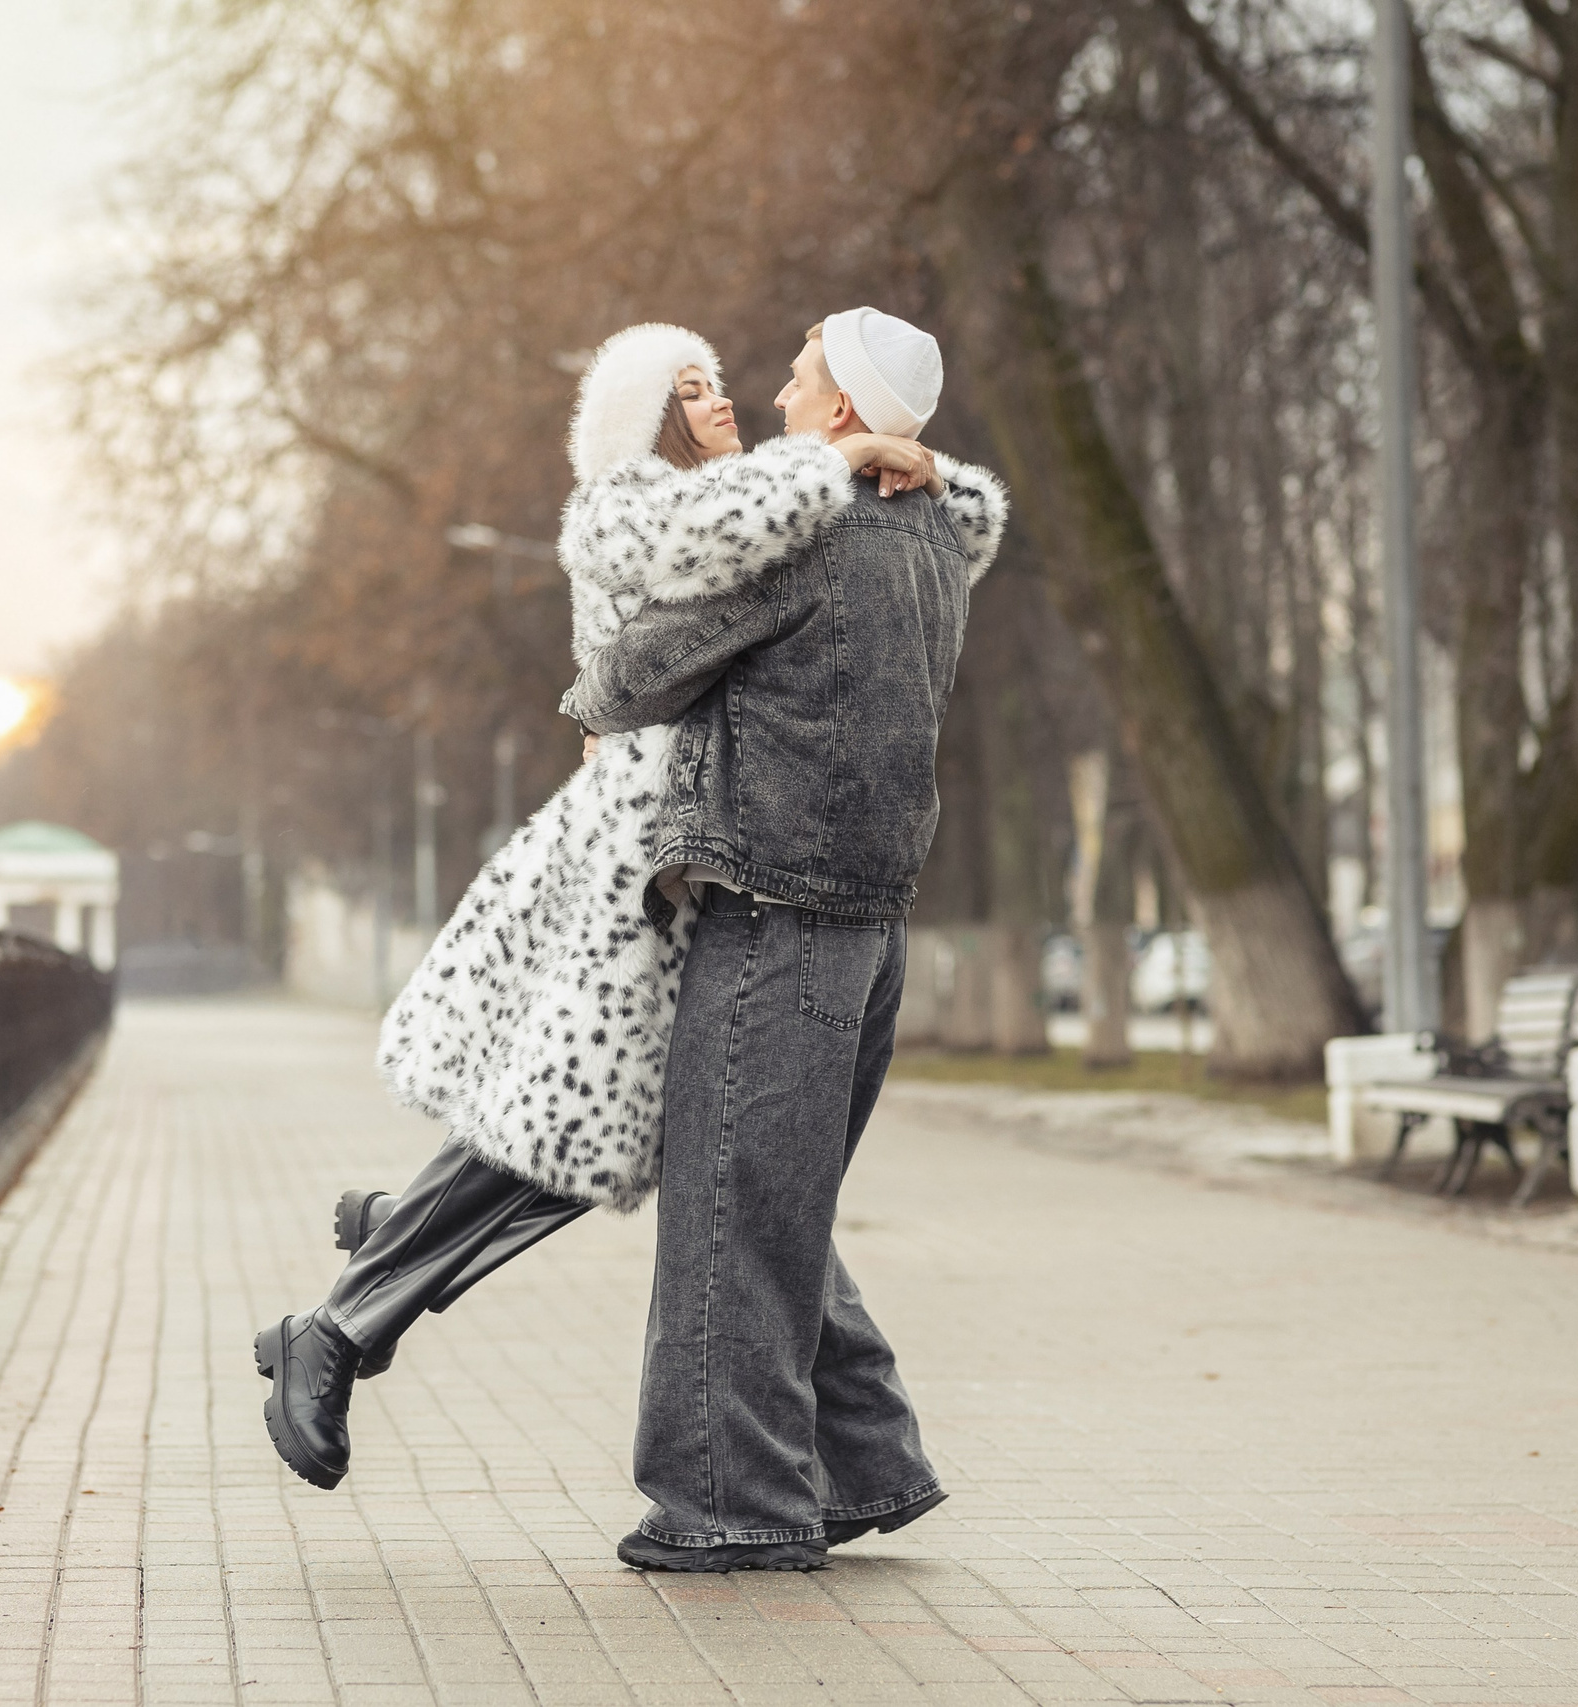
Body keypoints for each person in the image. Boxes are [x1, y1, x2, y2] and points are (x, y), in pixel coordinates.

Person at [253, 319, 1007, 1499]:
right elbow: (630, 667)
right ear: (644, 419)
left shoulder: (797, 503)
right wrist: (852, 463)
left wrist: (889, 464)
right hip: (641, 867)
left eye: (763, 384)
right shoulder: (659, 507)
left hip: (711, 865)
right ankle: (362, 1299)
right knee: (645, 1145)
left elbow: (858, 536)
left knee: (727, 1178)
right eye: (690, 392)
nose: (738, 401)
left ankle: (388, 1257)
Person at [559, 306, 1004, 1573]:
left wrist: (593, 697)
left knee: (730, 1212)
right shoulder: (924, 530)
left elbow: (648, 666)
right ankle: (864, 1465)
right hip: (865, 927)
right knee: (774, 1205)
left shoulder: (808, 534)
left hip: (771, 913)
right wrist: (733, 468)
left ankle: (732, 1500)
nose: (777, 386)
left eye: (797, 377)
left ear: (844, 415)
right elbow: (803, 611)